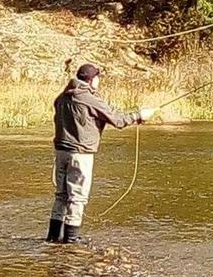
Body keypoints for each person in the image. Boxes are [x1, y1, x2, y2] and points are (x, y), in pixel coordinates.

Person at [46, 63, 156, 244]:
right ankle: (71, 241)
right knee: (77, 198)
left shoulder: (62, 97)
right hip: (80, 155)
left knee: (61, 196)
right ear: (91, 79)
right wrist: (139, 115)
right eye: (98, 77)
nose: (99, 81)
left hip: (61, 153)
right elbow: (118, 120)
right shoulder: (88, 98)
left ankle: (52, 238)